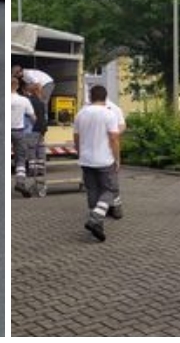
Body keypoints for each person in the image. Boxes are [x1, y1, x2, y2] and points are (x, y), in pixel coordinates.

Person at [72, 84, 121, 241]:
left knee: (92, 190)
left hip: (86, 159)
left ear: (90, 97)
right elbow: (114, 138)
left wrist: (80, 153)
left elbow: (76, 137)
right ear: (105, 97)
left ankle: (97, 222)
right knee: (109, 190)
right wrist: (117, 158)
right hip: (104, 159)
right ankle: (95, 219)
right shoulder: (109, 114)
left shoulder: (80, 114)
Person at [11, 75, 36, 196]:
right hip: (18, 132)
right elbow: (33, 117)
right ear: (17, 86)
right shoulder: (24, 100)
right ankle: (20, 182)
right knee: (20, 158)